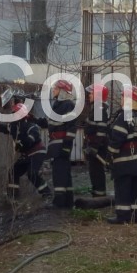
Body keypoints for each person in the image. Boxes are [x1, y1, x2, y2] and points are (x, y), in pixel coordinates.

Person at [0, 103, 52, 200]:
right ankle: (13, 197)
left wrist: (23, 143)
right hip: (27, 154)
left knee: (32, 173)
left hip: (37, 152)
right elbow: (1, 128)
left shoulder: (31, 126)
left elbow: (32, 137)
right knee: (13, 172)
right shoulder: (13, 126)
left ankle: (47, 194)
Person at [105, 86, 137, 224]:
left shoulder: (125, 116)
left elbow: (117, 137)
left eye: (123, 96)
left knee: (123, 188)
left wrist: (110, 154)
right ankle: (136, 216)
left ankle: (122, 217)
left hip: (124, 159)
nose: (121, 99)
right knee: (136, 189)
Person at [45, 79, 79, 208]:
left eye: (55, 88)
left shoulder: (68, 105)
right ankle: (68, 202)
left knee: (59, 174)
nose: (53, 90)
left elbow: (71, 127)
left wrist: (66, 147)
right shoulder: (58, 105)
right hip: (56, 146)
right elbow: (51, 124)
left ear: (62, 91)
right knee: (64, 173)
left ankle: (59, 203)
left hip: (61, 146)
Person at [83, 84, 110, 198]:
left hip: (98, 147)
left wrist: (94, 147)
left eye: (92, 93)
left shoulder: (99, 109)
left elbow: (101, 130)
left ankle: (99, 195)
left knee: (97, 171)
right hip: (96, 145)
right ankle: (97, 192)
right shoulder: (97, 108)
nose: (89, 94)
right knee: (94, 170)